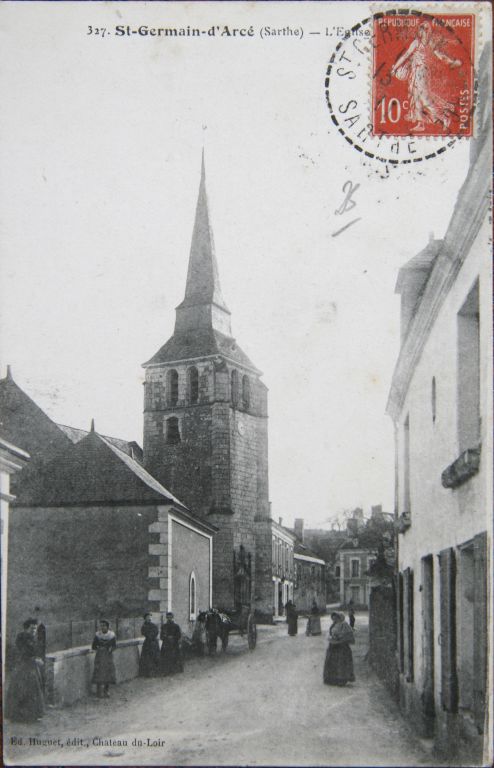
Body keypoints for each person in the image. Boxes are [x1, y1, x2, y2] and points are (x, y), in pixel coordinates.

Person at [390, 21, 462, 133]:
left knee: (425, 98)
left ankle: (444, 117)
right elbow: (406, 56)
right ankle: (420, 123)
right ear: (420, 31)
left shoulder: (430, 43)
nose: (425, 32)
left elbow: (440, 55)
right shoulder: (417, 43)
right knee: (415, 97)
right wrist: (395, 68)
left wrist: (451, 62)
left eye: (427, 30)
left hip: (422, 73)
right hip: (416, 72)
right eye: (423, 30)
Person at [5, 618, 45, 722]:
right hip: (23, 666)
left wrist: (37, 658)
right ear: (27, 628)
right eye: (32, 628)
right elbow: (23, 652)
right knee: (23, 689)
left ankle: (31, 715)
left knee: (32, 690)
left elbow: (34, 651)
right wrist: (35, 659)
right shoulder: (22, 637)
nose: (34, 630)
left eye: (35, 629)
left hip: (30, 666)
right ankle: (18, 716)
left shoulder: (31, 637)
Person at [323, 611, 355, 686]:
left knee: (341, 663)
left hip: (342, 647)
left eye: (336, 617)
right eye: (333, 617)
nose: (334, 618)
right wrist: (331, 637)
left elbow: (348, 634)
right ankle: (332, 679)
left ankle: (342, 679)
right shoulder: (333, 624)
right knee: (333, 662)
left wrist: (339, 638)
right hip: (333, 646)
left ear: (340, 617)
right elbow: (330, 633)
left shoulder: (344, 624)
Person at [91, 620, 117, 698]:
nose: (102, 627)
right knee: (99, 671)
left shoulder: (111, 635)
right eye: (101, 626)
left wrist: (110, 649)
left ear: (107, 627)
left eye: (104, 626)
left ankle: (106, 690)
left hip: (108, 655)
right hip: (100, 655)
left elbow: (114, 646)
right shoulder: (97, 635)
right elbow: (93, 646)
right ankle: (99, 691)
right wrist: (98, 648)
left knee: (108, 672)